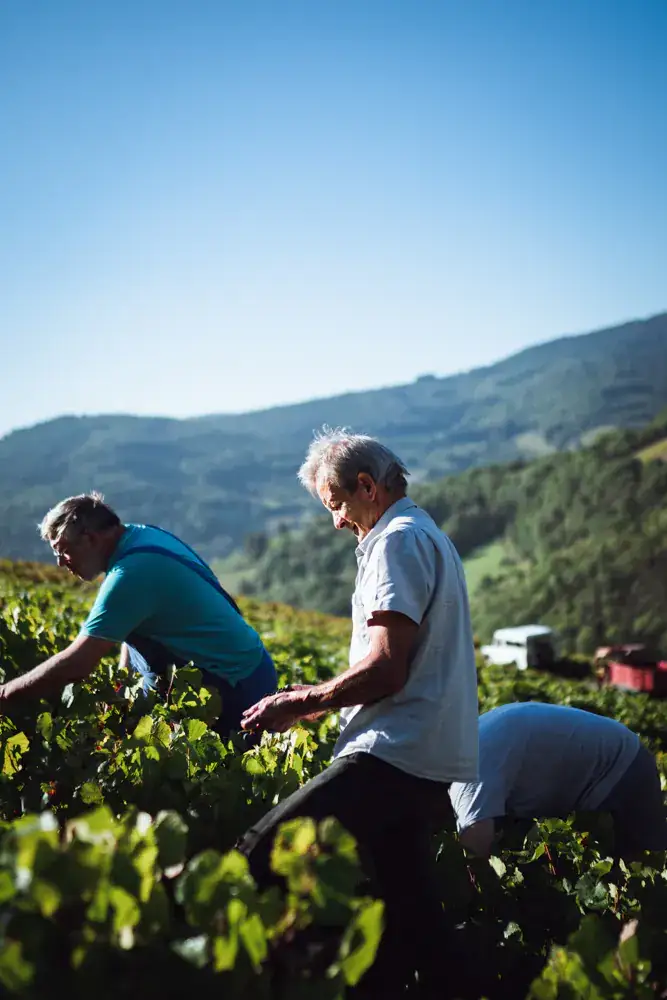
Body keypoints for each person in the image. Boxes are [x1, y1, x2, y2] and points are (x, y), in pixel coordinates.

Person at [237, 429, 479, 998]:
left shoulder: (397, 540)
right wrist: (326, 694)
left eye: (336, 505)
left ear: (367, 486)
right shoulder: (427, 535)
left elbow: (389, 668)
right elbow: (399, 667)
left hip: (392, 754)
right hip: (426, 760)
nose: (336, 521)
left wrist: (305, 701)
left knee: (258, 854)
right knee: (413, 929)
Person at [0, 493, 277, 735]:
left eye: (63, 551)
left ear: (90, 538)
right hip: (241, 668)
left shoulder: (131, 573)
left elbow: (78, 662)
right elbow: (133, 625)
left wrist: (5, 695)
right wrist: (122, 688)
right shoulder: (139, 535)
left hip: (236, 688)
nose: (60, 563)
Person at [449, 702, 667, 859]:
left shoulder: (468, 772)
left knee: (642, 866)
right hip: (603, 757)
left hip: (622, 767)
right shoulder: (466, 744)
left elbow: (475, 850)